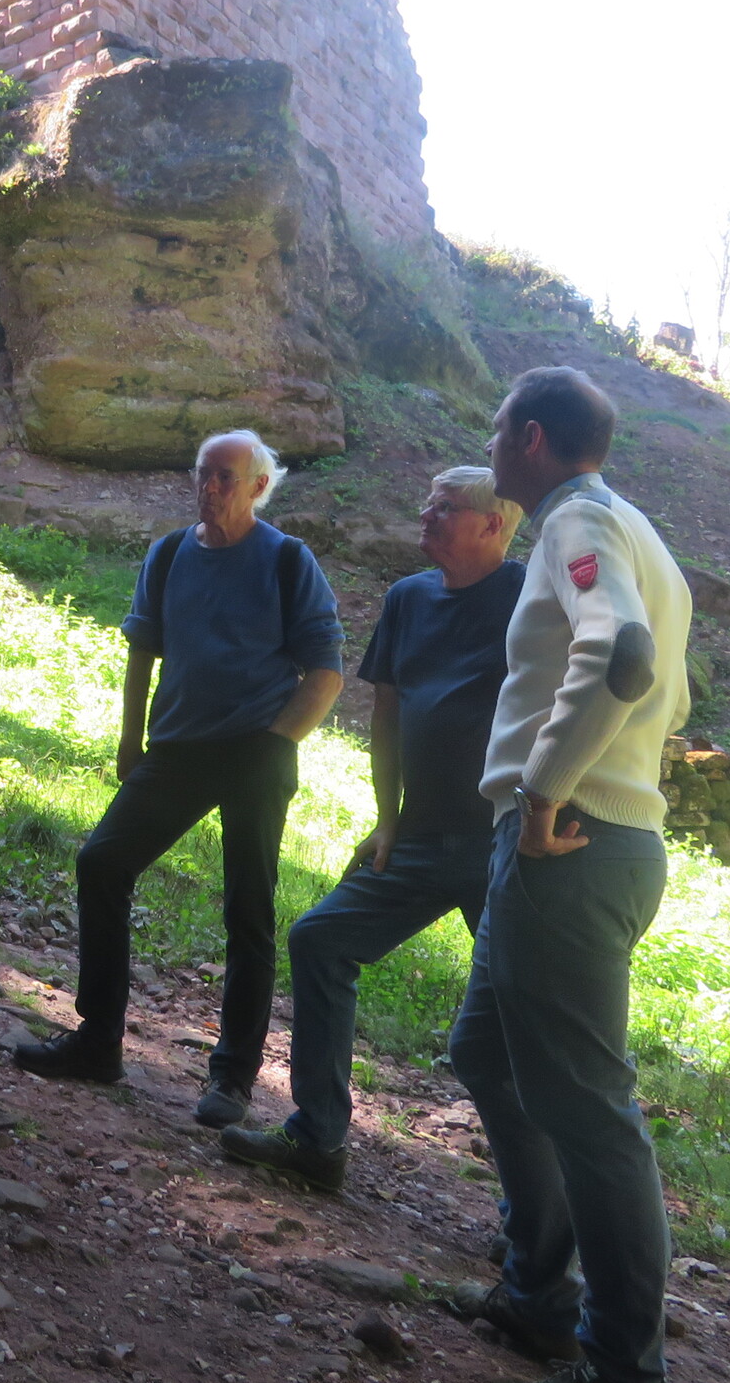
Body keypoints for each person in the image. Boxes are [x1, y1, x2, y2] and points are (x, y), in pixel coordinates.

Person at [450, 368, 691, 1383]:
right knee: (486, 1051)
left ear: (534, 438)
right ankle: (538, 1292)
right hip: (606, 840)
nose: (490, 445)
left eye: (498, 430)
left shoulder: (574, 523)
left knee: (591, 1113)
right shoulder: (638, 531)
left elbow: (621, 653)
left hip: (568, 840)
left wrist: (545, 789)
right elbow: (666, 682)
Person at [12, 429, 344, 1128]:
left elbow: (325, 671)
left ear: (258, 487)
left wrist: (275, 745)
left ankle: (233, 1078)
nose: (210, 487)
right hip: (178, 749)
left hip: (256, 751)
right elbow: (142, 649)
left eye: (226, 477)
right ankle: (98, 1041)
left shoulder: (288, 560)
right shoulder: (168, 554)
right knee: (103, 863)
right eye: (203, 474)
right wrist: (130, 739)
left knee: (248, 910)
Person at [221, 465, 526, 1193]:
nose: (425, 514)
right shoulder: (407, 599)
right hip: (419, 837)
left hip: (504, 843)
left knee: (516, 1022)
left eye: (444, 507)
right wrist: (388, 820)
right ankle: (318, 1138)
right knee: (320, 939)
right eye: (428, 502)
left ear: (492, 525)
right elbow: (387, 717)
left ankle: (540, 1221)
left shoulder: (528, 598)